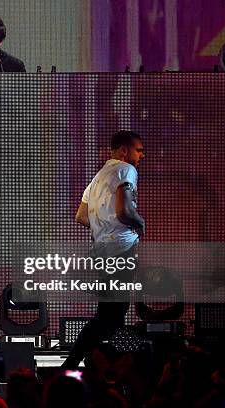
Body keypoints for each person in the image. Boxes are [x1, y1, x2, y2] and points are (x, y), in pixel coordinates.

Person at [61, 130, 145, 369]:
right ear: (123, 150)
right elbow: (123, 211)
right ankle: (72, 364)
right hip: (120, 250)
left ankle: (109, 368)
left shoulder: (98, 177)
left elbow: (81, 216)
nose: (142, 155)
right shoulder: (126, 170)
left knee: (112, 315)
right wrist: (140, 222)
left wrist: (103, 225)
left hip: (102, 251)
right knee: (111, 314)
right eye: (138, 150)